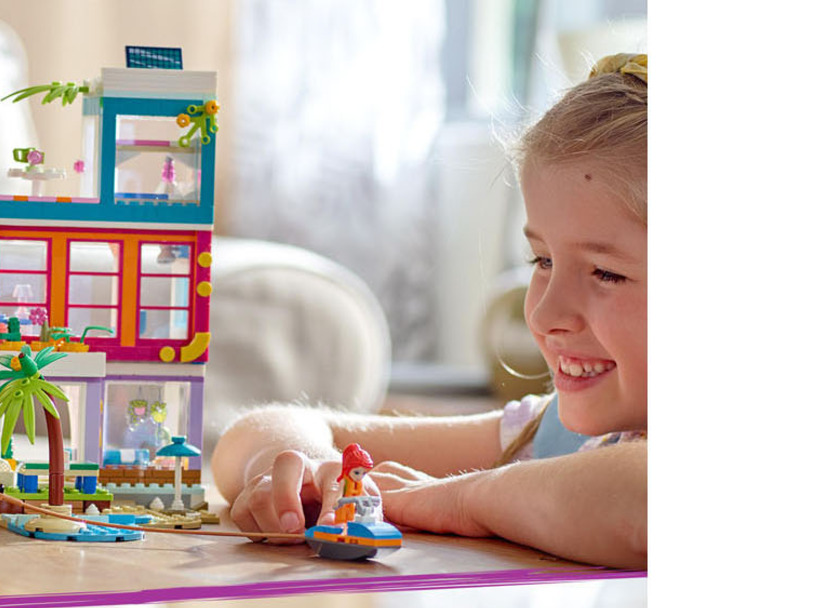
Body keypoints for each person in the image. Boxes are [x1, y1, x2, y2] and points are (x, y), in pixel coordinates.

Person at [214, 55, 647, 569]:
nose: (545, 313)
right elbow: (257, 431)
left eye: (606, 273)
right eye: (543, 261)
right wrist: (304, 472)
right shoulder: (549, 435)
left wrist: (460, 499)